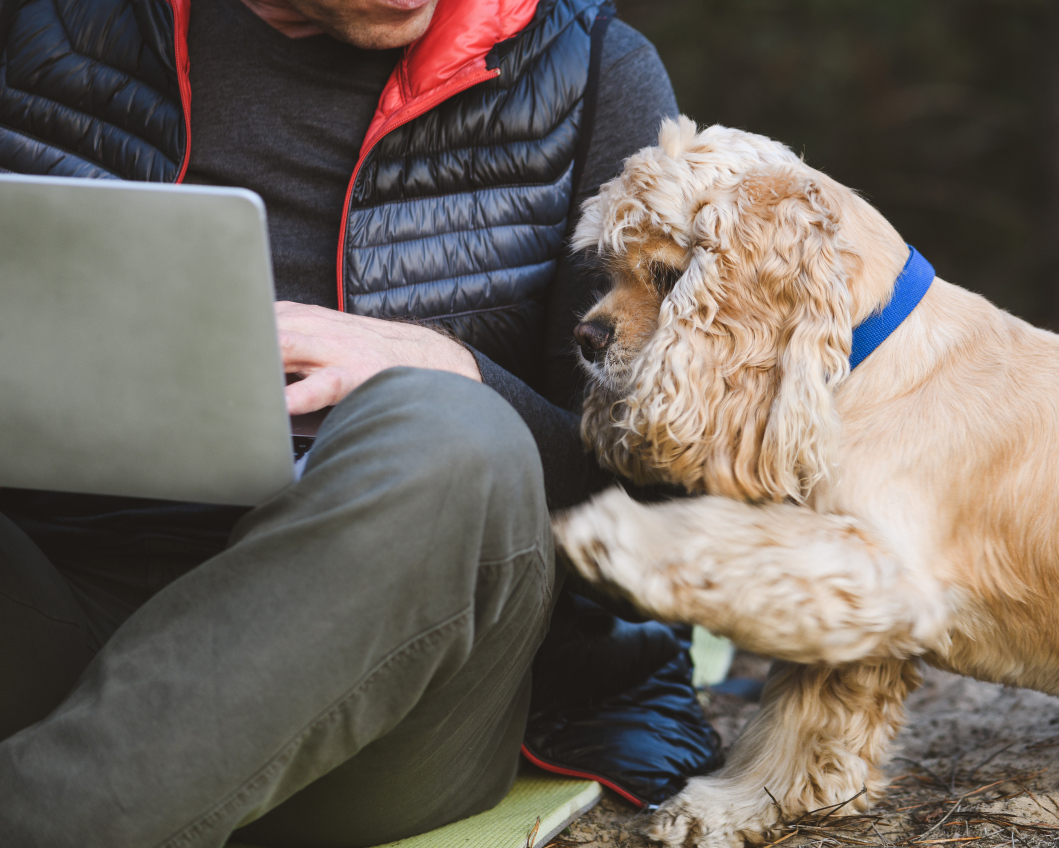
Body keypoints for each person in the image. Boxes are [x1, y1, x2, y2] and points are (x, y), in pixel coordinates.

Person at [0, 0, 717, 845]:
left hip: (392, 703)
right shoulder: (49, 26)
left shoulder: (591, 72)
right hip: (63, 609)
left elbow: (664, 507)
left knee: (450, 434)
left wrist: (456, 368)